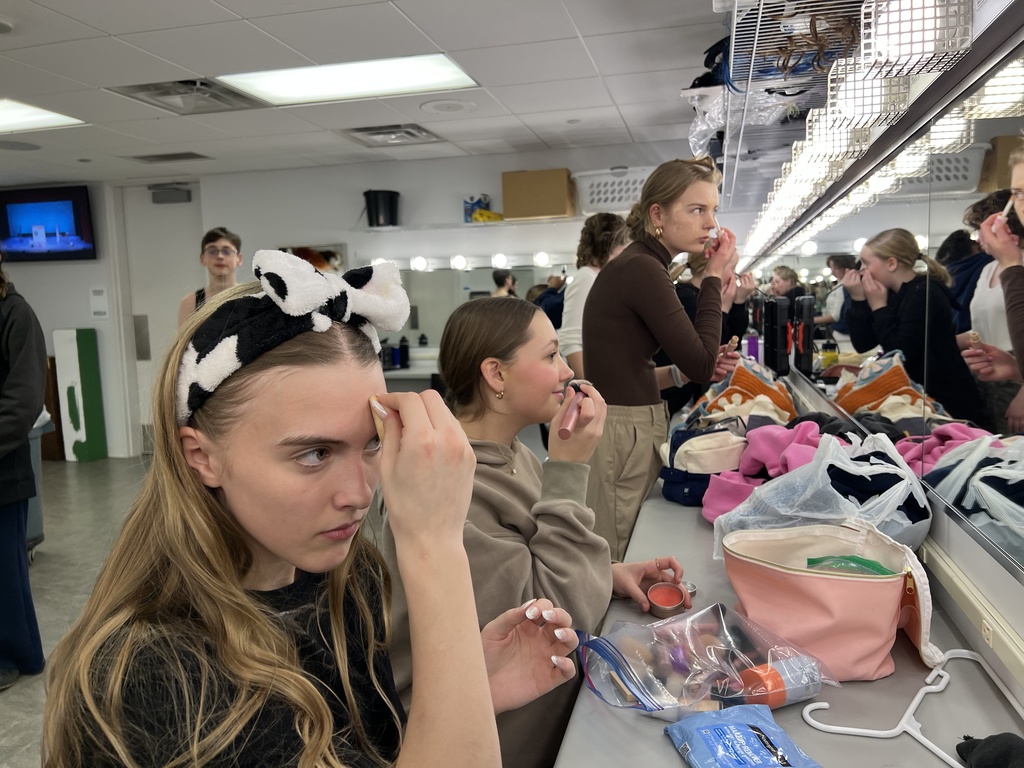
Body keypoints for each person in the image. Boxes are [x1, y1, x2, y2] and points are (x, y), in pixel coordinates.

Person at [42, 250, 579, 766]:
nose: (359, 493)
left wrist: (465, 687)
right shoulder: (155, 673)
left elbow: (362, 747)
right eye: (314, 453)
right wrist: (435, 548)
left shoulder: (352, 576)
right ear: (201, 456)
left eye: (371, 443)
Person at [381, 297, 687, 768]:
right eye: (550, 356)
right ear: (496, 375)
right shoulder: (449, 487)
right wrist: (568, 470)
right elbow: (559, 614)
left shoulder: (512, 454)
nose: (567, 372)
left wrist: (605, 572)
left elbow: (529, 563)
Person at [582, 157, 740, 560]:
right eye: (697, 209)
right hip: (624, 434)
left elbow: (625, 372)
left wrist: (679, 372)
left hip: (624, 428)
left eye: (713, 211)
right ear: (658, 214)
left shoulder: (641, 265)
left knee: (626, 544)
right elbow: (704, 363)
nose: (711, 224)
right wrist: (713, 278)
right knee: (621, 549)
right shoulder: (643, 270)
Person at [843, 228, 987, 427]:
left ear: (891, 263)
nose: (861, 271)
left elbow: (900, 352)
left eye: (867, 263)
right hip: (921, 397)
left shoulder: (924, 292)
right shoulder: (892, 294)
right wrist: (858, 299)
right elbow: (863, 343)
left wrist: (878, 307)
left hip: (947, 400)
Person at [0, 251, 47, 693]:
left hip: (2, 473)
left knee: (4, 573)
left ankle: (16, 657)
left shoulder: (15, 314)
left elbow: (24, 398)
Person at [951, 192, 1024, 433]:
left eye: (979, 230)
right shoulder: (987, 270)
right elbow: (985, 325)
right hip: (990, 373)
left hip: (1016, 380)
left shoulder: (1018, 268)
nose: (978, 238)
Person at [657, 250, 756, 415]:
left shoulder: (694, 295)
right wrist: (723, 310)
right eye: (732, 268)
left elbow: (732, 339)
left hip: (673, 394)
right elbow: (712, 352)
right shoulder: (687, 301)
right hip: (664, 396)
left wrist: (738, 302)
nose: (735, 276)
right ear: (712, 268)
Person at [559, 213, 631, 378]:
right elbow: (571, 342)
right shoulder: (586, 277)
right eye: (624, 244)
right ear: (611, 244)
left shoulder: (598, 278)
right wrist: (592, 386)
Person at [176, 226, 244, 326]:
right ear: (202, 258)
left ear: (239, 258)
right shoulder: (190, 303)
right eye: (212, 251)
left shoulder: (252, 297)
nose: (220, 256)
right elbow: (183, 341)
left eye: (226, 251)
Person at [814, 254, 856, 351]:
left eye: (835, 268)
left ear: (845, 267)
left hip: (843, 334)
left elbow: (835, 316)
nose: (832, 271)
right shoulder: (840, 284)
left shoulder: (845, 286)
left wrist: (812, 320)